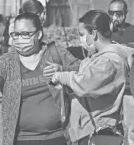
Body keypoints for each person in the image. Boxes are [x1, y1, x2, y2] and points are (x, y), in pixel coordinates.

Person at [0, 12, 80, 145]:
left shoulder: (55, 52)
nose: (20, 39)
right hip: (22, 139)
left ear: (38, 35)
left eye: (25, 34)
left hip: (58, 137)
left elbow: (81, 70)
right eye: (16, 34)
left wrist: (62, 70)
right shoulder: (6, 62)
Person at [50, 10, 132, 145]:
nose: (81, 39)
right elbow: (83, 71)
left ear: (93, 33)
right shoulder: (97, 57)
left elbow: (86, 84)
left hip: (99, 132)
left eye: (82, 34)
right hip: (87, 130)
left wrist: (63, 76)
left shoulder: (110, 61)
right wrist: (62, 69)